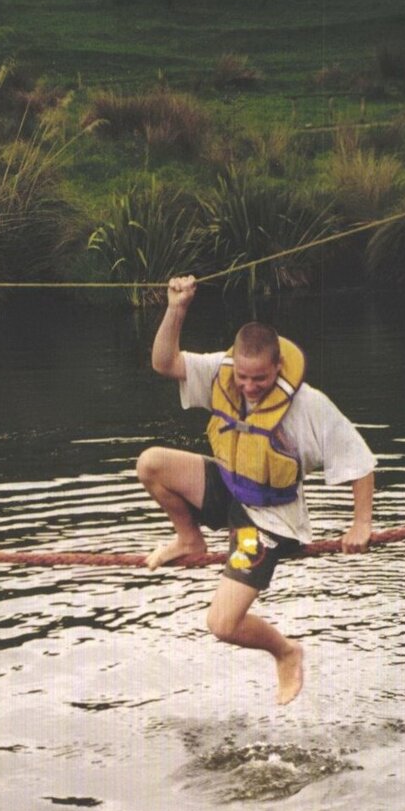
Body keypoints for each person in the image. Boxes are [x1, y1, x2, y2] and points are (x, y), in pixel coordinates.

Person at [136, 274, 376, 707]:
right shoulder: (222, 373)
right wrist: (176, 308)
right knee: (151, 463)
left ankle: (286, 651)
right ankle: (188, 538)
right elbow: (163, 364)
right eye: (243, 377)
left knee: (223, 623)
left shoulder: (309, 405)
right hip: (229, 488)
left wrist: (361, 524)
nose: (248, 387)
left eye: (259, 379)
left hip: (263, 521)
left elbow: (360, 460)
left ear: (278, 368)